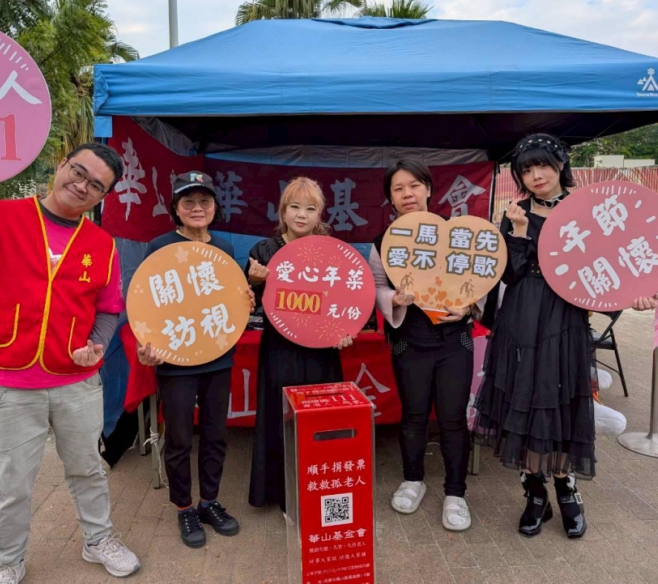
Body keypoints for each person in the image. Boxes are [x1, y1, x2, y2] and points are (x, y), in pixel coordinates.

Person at [0, 143, 141, 584]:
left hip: (76, 382)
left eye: (95, 185)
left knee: (88, 469)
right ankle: (8, 560)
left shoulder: (101, 244)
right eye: (77, 172)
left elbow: (107, 308)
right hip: (7, 383)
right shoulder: (0, 217)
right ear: (61, 165)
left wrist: (96, 346)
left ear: (103, 197)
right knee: (11, 484)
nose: (80, 186)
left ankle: (97, 539)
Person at [474, 134, 658, 539]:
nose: (536, 175)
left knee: (557, 400)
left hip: (565, 319)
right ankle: (534, 491)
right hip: (521, 319)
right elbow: (510, 274)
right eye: (526, 169)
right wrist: (519, 232)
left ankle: (567, 489)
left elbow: (614, 263)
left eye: (542, 165)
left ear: (560, 164)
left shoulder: (589, 209)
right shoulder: (514, 212)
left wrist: (637, 295)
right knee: (522, 400)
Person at [136, 170, 255, 550]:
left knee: (216, 435)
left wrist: (245, 299)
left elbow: (228, 299)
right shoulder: (159, 247)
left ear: (215, 207)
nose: (197, 208)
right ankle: (184, 506)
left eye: (204, 201)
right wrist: (147, 344)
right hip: (175, 361)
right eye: (189, 201)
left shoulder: (223, 247)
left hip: (217, 356)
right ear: (176, 208)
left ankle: (210, 502)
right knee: (180, 438)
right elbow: (147, 302)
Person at [367, 159, 476, 532]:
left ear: (429, 189)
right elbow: (376, 286)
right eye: (398, 189)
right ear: (390, 199)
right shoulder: (383, 242)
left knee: (452, 419)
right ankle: (413, 480)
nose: (407, 194)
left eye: (413, 185)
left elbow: (479, 281)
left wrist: (468, 306)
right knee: (413, 416)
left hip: (454, 341)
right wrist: (392, 300)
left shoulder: (455, 233)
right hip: (408, 342)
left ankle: (456, 493)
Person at [247, 176, 353, 513]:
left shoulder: (332, 250)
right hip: (280, 349)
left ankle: (320, 491)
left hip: (322, 351)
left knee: (321, 419)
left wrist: (345, 330)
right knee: (281, 417)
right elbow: (245, 301)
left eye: (310, 208)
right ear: (283, 211)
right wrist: (252, 282)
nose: (302, 215)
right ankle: (280, 493)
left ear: (320, 213)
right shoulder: (263, 251)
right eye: (295, 207)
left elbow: (348, 300)